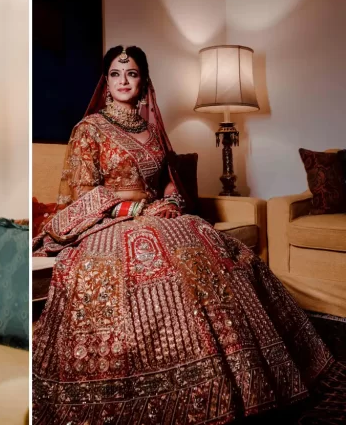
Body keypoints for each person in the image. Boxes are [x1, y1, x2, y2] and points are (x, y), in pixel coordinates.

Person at [31, 46, 333, 424]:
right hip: (106, 225)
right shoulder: (88, 130)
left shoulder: (152, 130)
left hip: (160, 215)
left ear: (143, 81)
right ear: (105, 82)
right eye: (115, 74)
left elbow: (168, 182)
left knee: (209, 242)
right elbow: (85, 197)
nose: (124, 81)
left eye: (132, 74)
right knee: (160, 253)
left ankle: (246, 374)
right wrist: (136, 209)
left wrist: (171, 202)